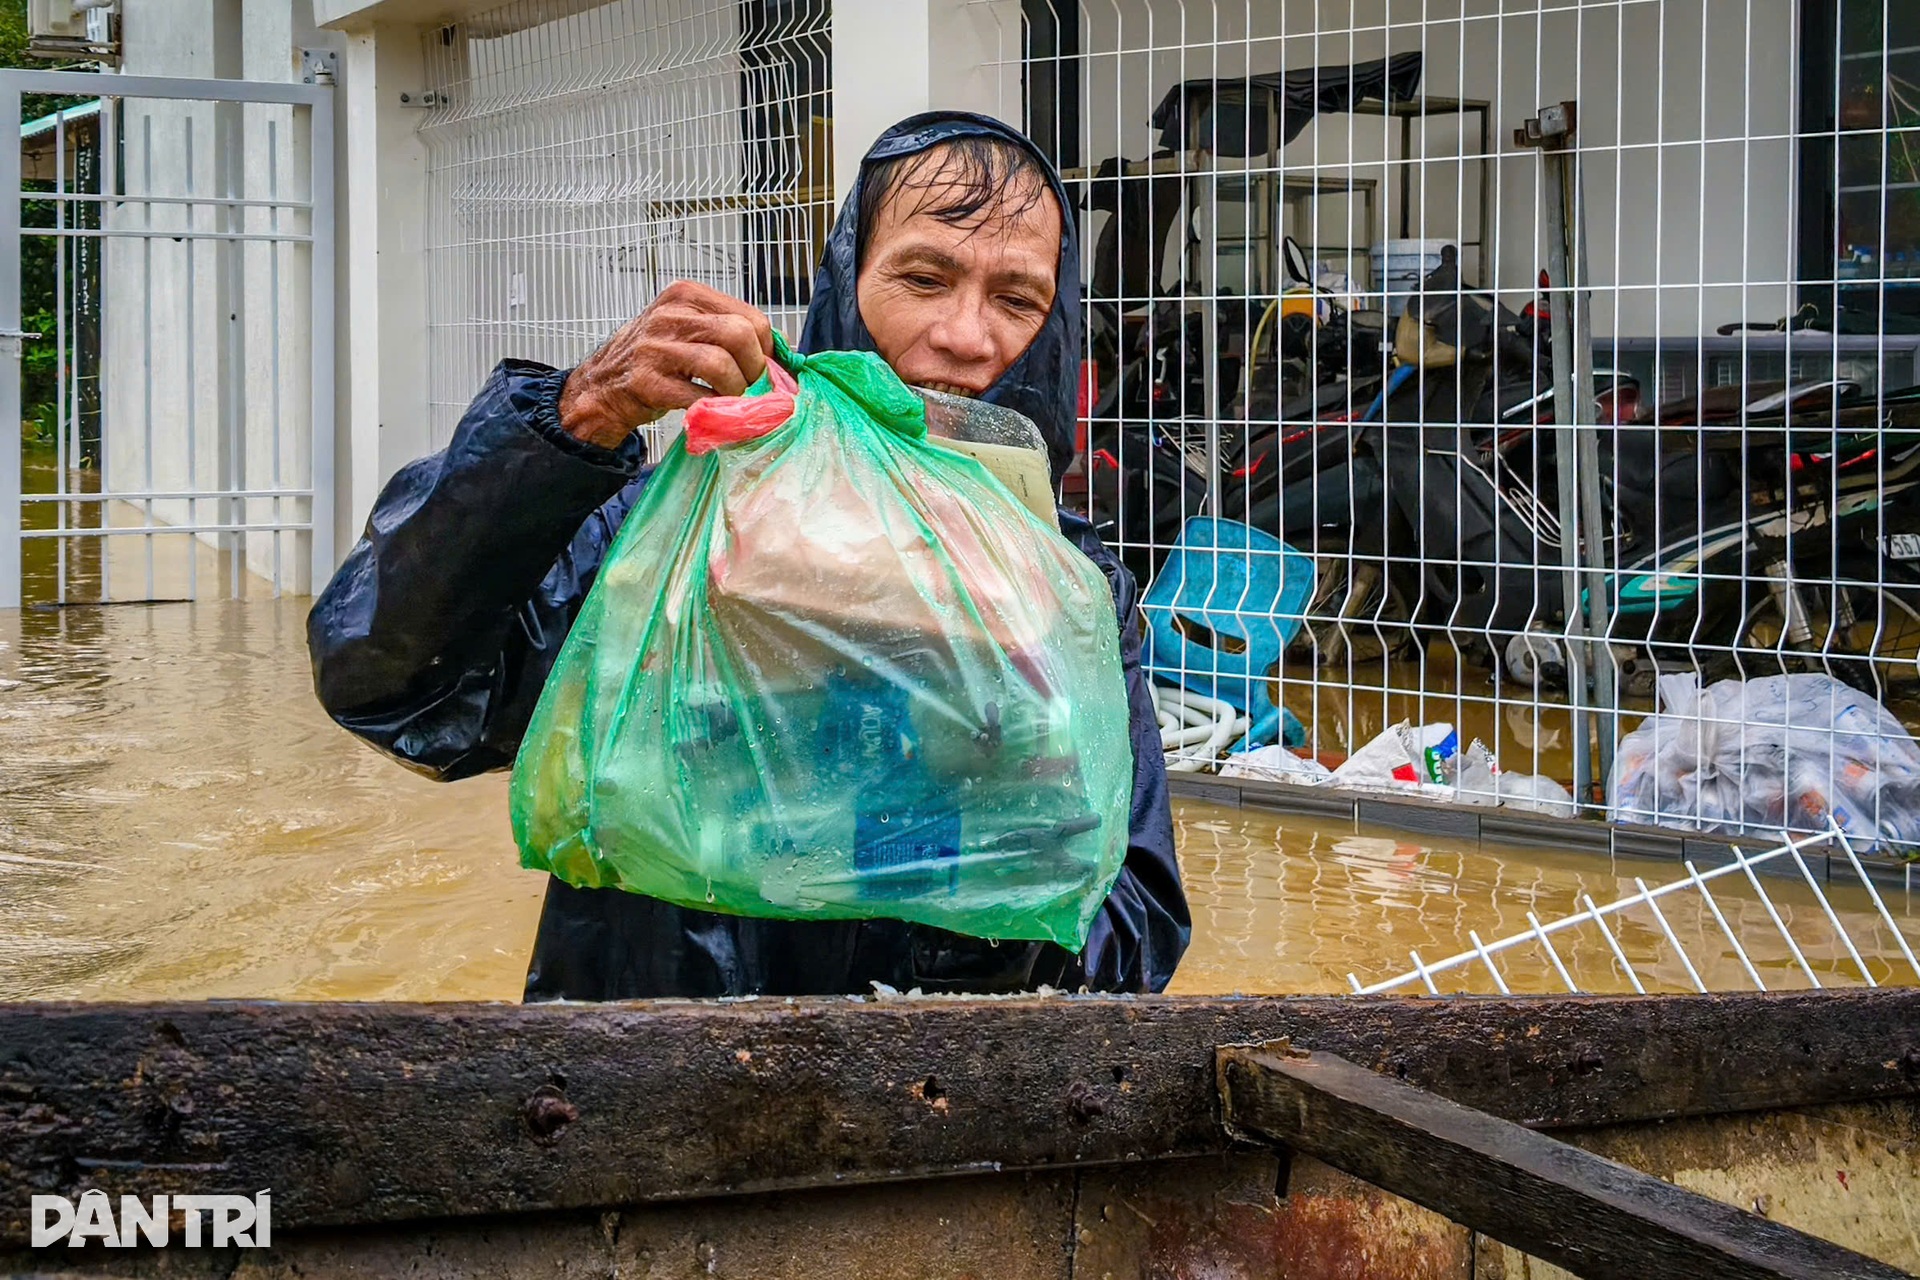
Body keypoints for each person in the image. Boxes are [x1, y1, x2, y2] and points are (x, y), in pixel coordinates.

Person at [307, 112, 1189, 999]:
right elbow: (393, 689)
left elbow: (1137, 928)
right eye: (924, 278)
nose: (967, 335)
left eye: (1016, 300)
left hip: (923, 1073)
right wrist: (579, 414)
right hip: (649, 1057)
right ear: (848, 284)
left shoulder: (1074, 591)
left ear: (1053, 327)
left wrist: (991, 846)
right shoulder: (672, 537)